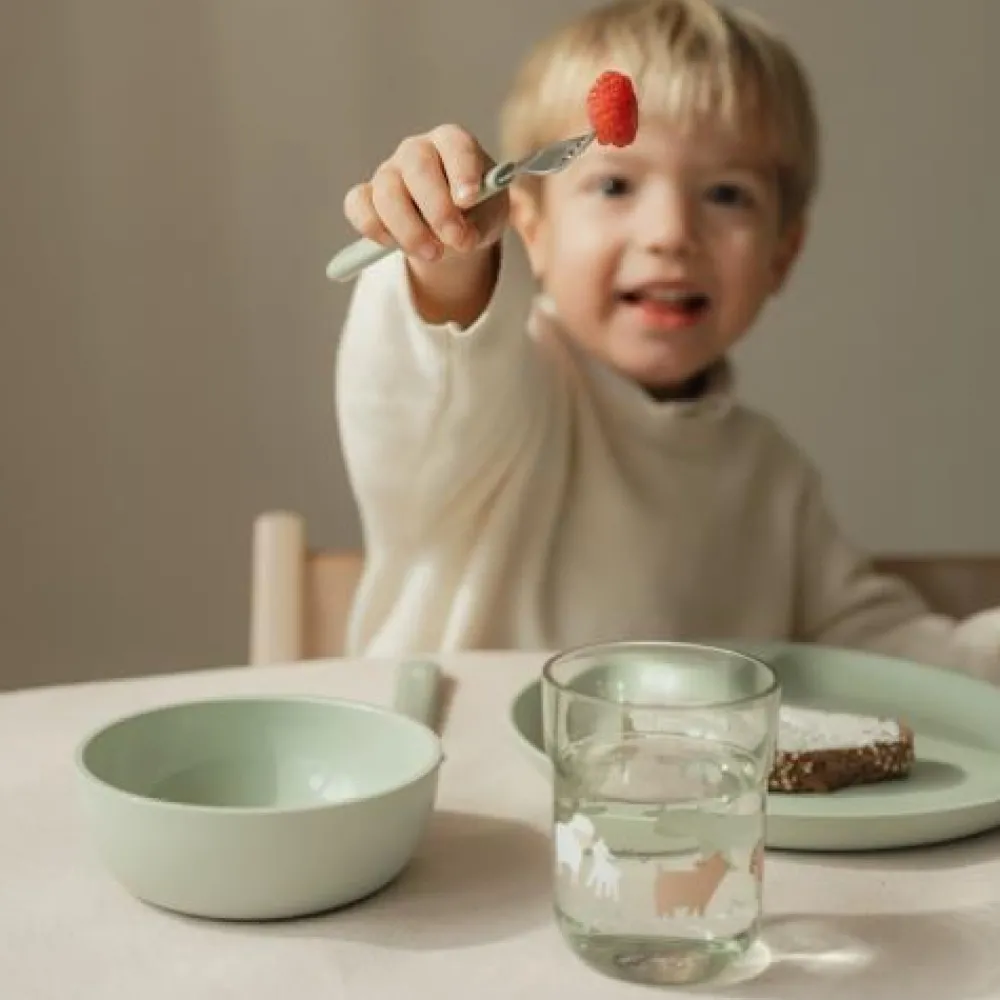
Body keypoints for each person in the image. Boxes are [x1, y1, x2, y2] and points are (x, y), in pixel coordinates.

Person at [334, 0, 1000, 680]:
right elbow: (439, 373)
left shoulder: (772, 480)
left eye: (727, 195)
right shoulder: (507, 408)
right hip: (455, 778)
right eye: (616, 184)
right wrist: (448, 254)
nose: (671, 232)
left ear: (782, 254)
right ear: (531, 230)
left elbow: (866, 648)